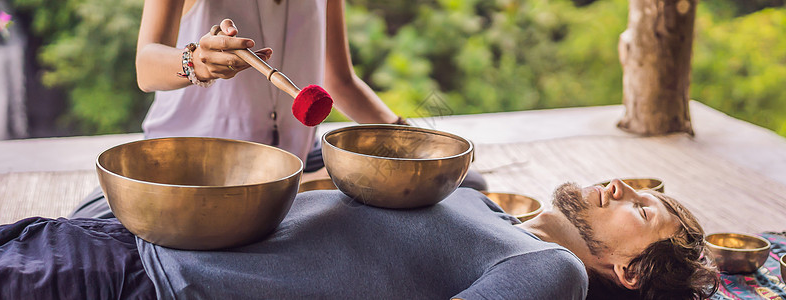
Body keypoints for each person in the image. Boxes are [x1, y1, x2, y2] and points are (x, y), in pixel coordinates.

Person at [0, 179, 717, 299]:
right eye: (634, 184)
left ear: (627, 271)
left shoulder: (551, 271)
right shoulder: (484, 205)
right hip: (110, 224)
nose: (621, 189)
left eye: (645, 210)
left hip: (148, 277)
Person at [70, 0, 487, 219]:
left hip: (287, 167)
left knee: (467, 186)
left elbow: (338, 80)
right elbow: (146, 66)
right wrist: (196, 61)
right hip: (190, 169)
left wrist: (409, 138)